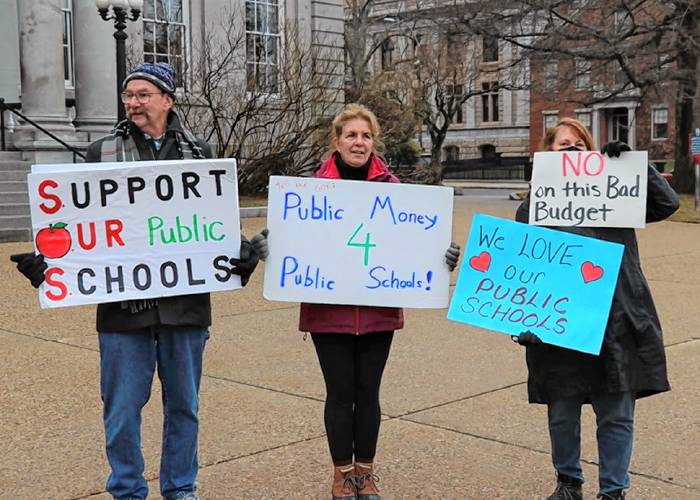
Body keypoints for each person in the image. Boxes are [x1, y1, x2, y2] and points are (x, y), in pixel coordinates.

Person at [10, 62, 262, 500]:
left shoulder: (199, 155)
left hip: (185, 307)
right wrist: (47, 264)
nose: (133, 103)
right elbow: (76, 225)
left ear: (167, 99)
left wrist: (239, 254)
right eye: (129, 95)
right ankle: (127, 489)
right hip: (123, 310)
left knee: (184, 407)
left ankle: (180, 488)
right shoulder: (102, 152)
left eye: (143, 94)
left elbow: (208, 223)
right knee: (123, 411)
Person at [251, 103, 460, 500]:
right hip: (328, 312)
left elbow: (418, 239)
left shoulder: (395, 191)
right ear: (336, 141)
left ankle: (365, 474)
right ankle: (341, 475)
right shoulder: (308, 192)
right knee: (339, 392)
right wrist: (269, 248)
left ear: (373, 142)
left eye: (365, 135)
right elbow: (291, 240)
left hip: (378, 310)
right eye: (351, 135)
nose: (358, 142)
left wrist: (442, 255)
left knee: (369, 393)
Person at [514, 117, 679, 500]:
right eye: (562, 145)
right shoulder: (535, 206)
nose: (571, 150)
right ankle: (569, 482)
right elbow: (519, 270)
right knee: (562, 412)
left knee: (616, 412)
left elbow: (666, 204)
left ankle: (613, 491)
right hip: (557, 321)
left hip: (616, 315)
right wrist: (520, 317)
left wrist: (638, 167)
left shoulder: (616, 195)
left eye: (578, 144)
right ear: (546, 155)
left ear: (590, 152)